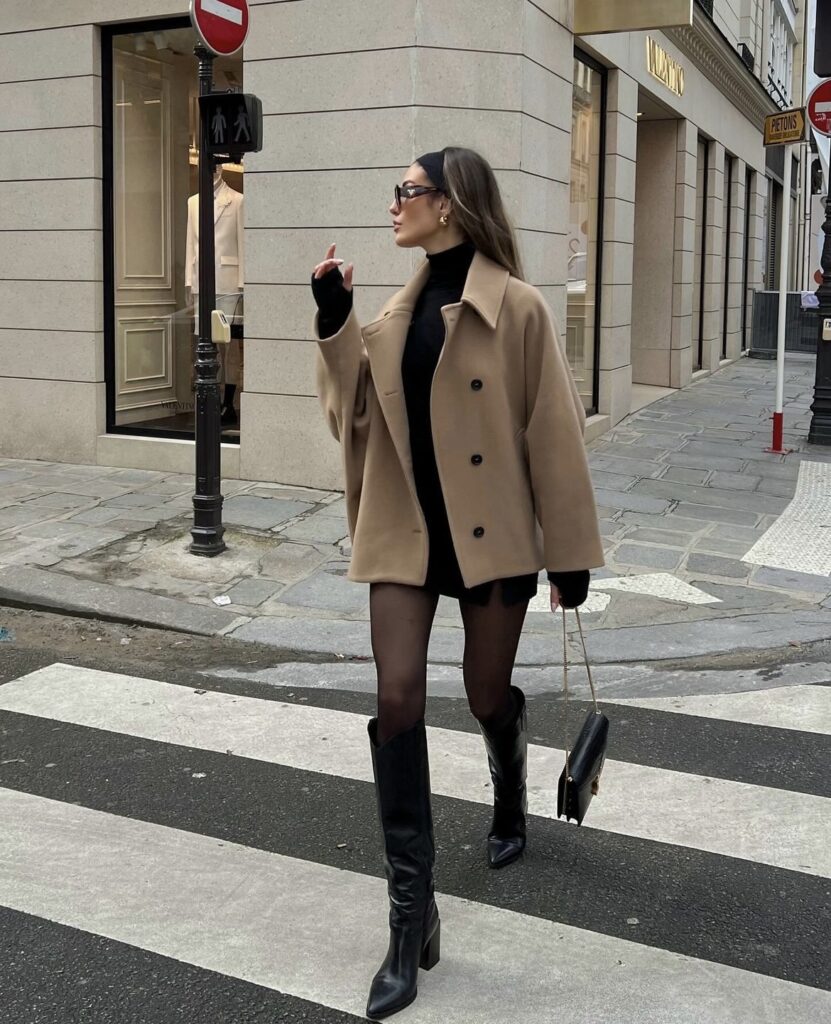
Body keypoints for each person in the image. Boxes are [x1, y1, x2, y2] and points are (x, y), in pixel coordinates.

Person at [311, 146, 604, 1021]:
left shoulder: (514, 306)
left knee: (482, 695)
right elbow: (349, 422)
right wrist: (334, 321)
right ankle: (411, 919)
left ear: (449, 203)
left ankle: (508, 783)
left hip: (493, 541)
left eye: (406, 191)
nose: (394, 204)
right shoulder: (392, 318)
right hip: (405, 533)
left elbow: (551, 428)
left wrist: (569, 553)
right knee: (395, 700)